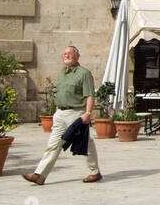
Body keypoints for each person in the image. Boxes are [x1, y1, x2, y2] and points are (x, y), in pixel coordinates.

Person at [25, 46, 102, 185]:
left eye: (70, 53)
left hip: (76, 113)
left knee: (85, 143)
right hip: (60, 114)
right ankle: (40, 175)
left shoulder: (84, 73)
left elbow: (90, 95)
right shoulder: (61, 73)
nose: (67, 56)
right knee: (53, 144)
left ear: (77, 56)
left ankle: (94, 172)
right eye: (65, 54)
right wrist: (56, 111)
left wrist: (88, 113)